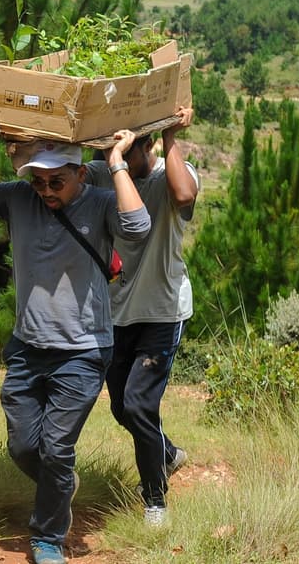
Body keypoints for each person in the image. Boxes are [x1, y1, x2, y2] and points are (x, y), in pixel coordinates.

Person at [0, 123, 150, 564]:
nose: (46, 190)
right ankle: (60, 483)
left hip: (84, 350)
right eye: (38, 180)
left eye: (56, 181)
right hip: (28, 347)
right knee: (22, 446)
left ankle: (48, 538)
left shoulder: (101, 201)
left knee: (56, 448)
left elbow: (138, 225)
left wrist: (114, 164)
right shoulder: (18, 198)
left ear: (78, 172)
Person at [83, 107, 198, 527]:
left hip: (162, 312)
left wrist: (170, 135)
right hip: (118, 313)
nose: (113, 156)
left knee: (138, 403)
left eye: (125, 148)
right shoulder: (104, 171)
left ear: (144, 145)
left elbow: (184, 196)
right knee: (121, 407)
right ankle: (167, 454)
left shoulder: (172, 174)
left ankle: (155, 500)